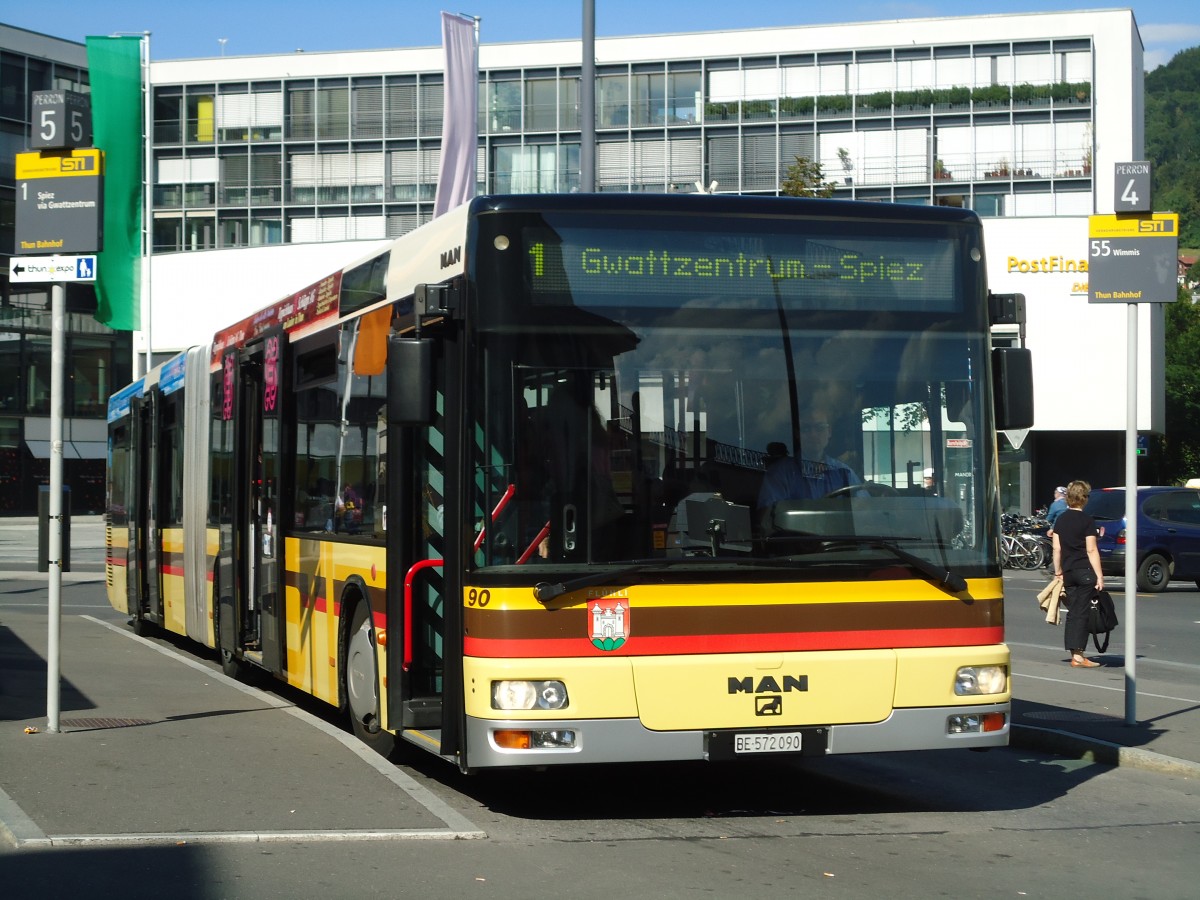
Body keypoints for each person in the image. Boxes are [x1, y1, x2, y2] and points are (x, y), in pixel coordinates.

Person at [757, 410, 862, 508]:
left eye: (820, 428)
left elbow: (864, 510)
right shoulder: (781, 473)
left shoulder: (844, 472)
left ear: (829, 432)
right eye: (806, 429)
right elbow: (769, 516)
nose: (813, 434)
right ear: (797, 434)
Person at [1051, 480, 1104, 668]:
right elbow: (1091, 550)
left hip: (1068, 572)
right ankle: (1079, 656)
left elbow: (1056, 548)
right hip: (1084, 572)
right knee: (1081, 614)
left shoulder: (1061, 519)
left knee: (1074, 612)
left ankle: (1076, 653)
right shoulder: (1087, 521)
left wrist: (1058, 571)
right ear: (1084, 499)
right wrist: (1099, 575)